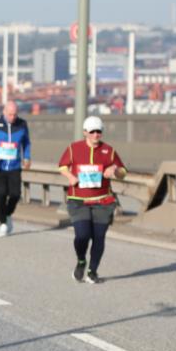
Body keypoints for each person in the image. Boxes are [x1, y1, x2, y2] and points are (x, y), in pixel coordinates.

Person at [58, 115, 127, 284]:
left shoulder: (108, 151)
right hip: (78, 200)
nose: (96, 135)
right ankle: (81, 260)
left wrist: (115, 170)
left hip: (103, 201)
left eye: (99, 131)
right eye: (92, 132)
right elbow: (62, 166)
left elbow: (123, 171)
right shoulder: (74, 148)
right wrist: (70, 176)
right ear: (85, 132)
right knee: (82, 235)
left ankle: (92, 271)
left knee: (99, 237)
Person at [0, 101, 31, 237]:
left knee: (15, 195)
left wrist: (27, 157)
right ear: (4, 112)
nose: (12, 117)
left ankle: (7, 215)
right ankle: (2, 222)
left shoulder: (22, 124)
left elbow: (26, 142)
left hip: (14, 166)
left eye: (15, 114)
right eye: (10, 114)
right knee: (1, 194)